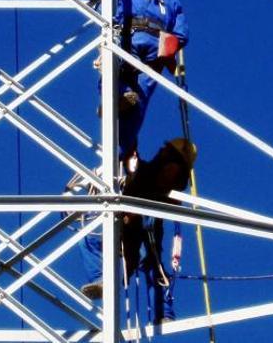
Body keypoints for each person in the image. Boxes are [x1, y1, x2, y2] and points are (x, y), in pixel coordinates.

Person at [79, 138, 197, 324]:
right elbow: (131, 159)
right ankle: (104, 280)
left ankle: (162, 312)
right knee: (90, 237)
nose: (161, 149)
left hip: (144, 224)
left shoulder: (168, 174)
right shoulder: (146, 170)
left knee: (151, 263)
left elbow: (159, 195)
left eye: (165, 149)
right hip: (129, 223)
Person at [111, 0, 189, 162]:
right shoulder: (171, 0)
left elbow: (111, 11)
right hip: (158, 46)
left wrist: (112, 29)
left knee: (111, 70)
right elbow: (181, 34)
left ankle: (116, 97)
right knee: (141, 97)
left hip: (132, 34)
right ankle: (123, 150)